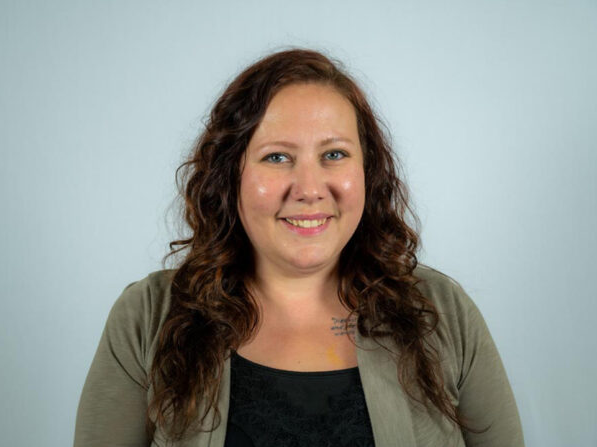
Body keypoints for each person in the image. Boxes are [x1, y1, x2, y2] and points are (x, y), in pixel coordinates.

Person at [74, 48, 524, 447]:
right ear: (230, 175)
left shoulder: (443, 312)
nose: (310, 189)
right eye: (277, 157)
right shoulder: (147, 317)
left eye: (333, 154)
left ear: (369, 171)